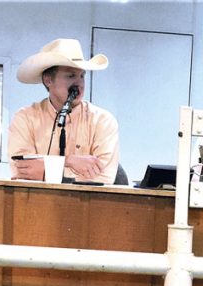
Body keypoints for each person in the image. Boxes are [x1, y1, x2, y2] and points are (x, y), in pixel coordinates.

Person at [8, 38, 119, 185]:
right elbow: (21, 171)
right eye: (70, 75)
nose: (79, 83)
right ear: (48, 80)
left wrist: (46, 170)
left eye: (82, 76)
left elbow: (104, 178)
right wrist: (69, 162)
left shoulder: (102, 120)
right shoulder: (25, 118)